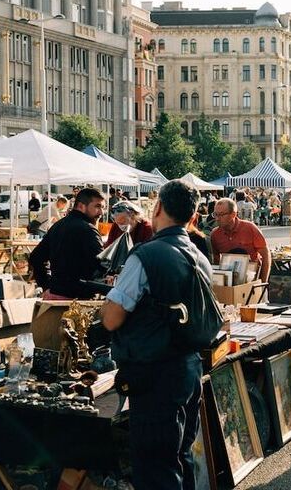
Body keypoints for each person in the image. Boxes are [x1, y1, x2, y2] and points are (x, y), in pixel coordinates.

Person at [101, 180, 209, 490]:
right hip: (188, 366)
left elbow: (112, 319)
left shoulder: (146, 255)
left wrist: (106, 307)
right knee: (180, 455)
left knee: (155, 465)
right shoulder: (197, 252)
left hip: (155, 371)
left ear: (158, 207)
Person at [29, 188, 105, 299]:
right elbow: (101, 265)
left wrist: (47, 286)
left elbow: (36, 258)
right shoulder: (88, 230)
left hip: (56, 295)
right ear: (81, 206)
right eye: (97, 206)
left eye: (103, 207)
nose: (101, 212)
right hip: (78, 300)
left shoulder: (58, 226)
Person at [210, 197, 271, 282]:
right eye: (215, 214)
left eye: (221, 214)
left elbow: (266, 255)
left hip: (253, 280)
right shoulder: (215, 234)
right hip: (230, 283)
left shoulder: (250, 228)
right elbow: (216, 261)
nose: (217, 218)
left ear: (233, 214)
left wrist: (263, 282)